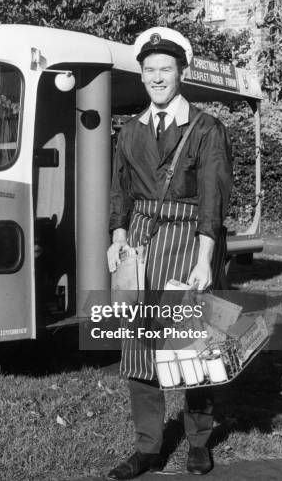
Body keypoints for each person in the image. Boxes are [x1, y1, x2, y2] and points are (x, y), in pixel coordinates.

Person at [106, 27, 232, 479]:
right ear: (141, 76)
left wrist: (205, 259)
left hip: (187, 243)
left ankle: (198, 443)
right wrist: (118, 236)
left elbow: (214, 201)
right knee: (139, 347)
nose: (157, 78)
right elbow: (119, 192)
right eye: (149, 71)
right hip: (140, 244)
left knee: (191, 346)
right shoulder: (130, 130)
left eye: (166, 69)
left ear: (181, 73)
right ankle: (148, 448)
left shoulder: (206, 128)